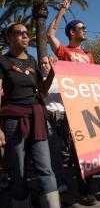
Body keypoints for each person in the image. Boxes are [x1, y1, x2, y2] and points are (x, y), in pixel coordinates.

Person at [47, 0, 100, 205]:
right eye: (82, 28)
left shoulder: (89, 56)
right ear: (71, 32)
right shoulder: (65, 52)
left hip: (93, 107)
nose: (85, 30)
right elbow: (49, 36)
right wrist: (61, 11)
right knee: (82, 152)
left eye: (85, 28)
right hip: (75, 111)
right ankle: (84, 191)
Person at [0, 23, 61, 208]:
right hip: (13, 122)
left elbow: (41, 90)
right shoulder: (2, 62)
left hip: (37, 120)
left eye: (27, 33)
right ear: (9, 37)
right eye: (20, 33)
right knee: (19, 172)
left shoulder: (33, 61)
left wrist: (52, 72)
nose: (26, 36)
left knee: (45, 169)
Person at [41, 55, 68, 194]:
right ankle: (61, 181)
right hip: (49, 117)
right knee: (55, 151)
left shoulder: (61, 79)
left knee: (68, 150)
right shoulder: (40, 82)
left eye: (47, 63)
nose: (45, 65)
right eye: (42, 64)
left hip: (65, 116)